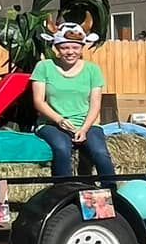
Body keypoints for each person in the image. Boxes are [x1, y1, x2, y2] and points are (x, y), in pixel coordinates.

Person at [30, 22, 115, 182]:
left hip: (86, 123)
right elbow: (38, 101)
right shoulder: (44, 67)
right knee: (62, 148)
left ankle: (111, 193)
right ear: (56, 48)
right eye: (64, 47)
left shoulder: (93, 70)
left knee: (100, 152)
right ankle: (64, 190)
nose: (70, 52)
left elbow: (95, 104)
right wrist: (59, 120)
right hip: (52, 123)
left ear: (82, 48)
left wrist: (84, 129)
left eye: (75, 48)